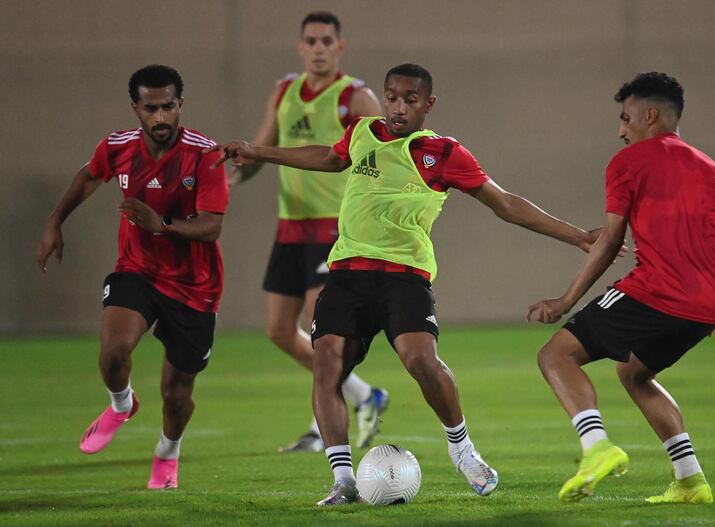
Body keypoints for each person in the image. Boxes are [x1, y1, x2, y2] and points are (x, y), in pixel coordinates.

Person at [208, 63, 603, 506]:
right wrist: (259, 152)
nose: (398, 107)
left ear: (428, 104)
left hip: (404, 277)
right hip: (347, 274)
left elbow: (506, 204)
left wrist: (577, 236)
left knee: (421, 360)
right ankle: (343, 480)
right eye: (392, 97)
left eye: (410, 100)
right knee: (327, 366)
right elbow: (328, 157)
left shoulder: (443, 152)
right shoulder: (360, 133)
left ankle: (462, 449)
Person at [528, 72, 715, 504]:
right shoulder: (713, 170)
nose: (620, 129)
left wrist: (566, 300)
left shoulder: (628, 162)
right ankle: (691, 481)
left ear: (651, 115)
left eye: (625, 118)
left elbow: (608, 241)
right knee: (635, 372)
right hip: (700, 310)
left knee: (556, 354)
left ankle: (596, 449)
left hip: (657, 293)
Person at [36, 65, 229, 490]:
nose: (160, 118)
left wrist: (161, 223)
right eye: (150, 108)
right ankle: (121, 405)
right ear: (135, 108)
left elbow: (212, 226)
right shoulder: (118, 146)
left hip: (195, 285)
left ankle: (167, 452)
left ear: (180, 105)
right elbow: (89, 177)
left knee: (176, 394)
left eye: (168, 107)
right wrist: (55, 221)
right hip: (137, 270)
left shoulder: (205, 154)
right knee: (113, 352)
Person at [229, 11, 388, 453]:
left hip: (335, 227)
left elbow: (385, 159)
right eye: (311, 41)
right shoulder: (285, 91)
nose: (318, 48)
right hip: (291, 226)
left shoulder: (355, 99)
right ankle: (363, 395)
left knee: (320, 327)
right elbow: (261, 150)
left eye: (326, 41)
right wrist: (232, 179)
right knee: (279, 331)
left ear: (340, 47)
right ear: (300, 47)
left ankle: (322, 430)